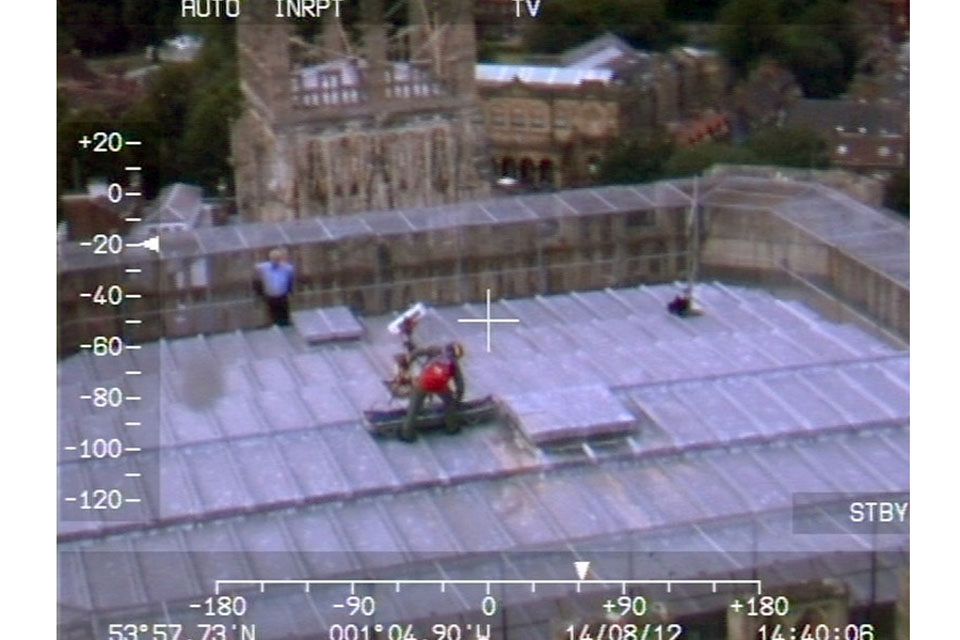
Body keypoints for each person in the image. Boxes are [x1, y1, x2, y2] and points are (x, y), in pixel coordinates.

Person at [399, 342, 465, 442]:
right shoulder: (454, 364)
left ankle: (407, 435)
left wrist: (408, 361)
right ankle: (452, 427)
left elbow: (418, 352)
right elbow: (460, 385)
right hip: (440, 386)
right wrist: (458, 400)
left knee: (414, 408)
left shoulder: (436, 349)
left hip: (423, 382)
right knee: (449, 403)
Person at [254, 247, 295, 326]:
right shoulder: (264, 267)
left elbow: (290, 280)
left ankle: (285, 327)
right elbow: (255, 270)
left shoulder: (287, 268)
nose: (276, 260)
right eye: (274, 258)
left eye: (278, 258)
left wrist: (290, 291)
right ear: (270, 258)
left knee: (284, 316)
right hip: (270, 296)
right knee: (273, 315)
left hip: (282, 296)